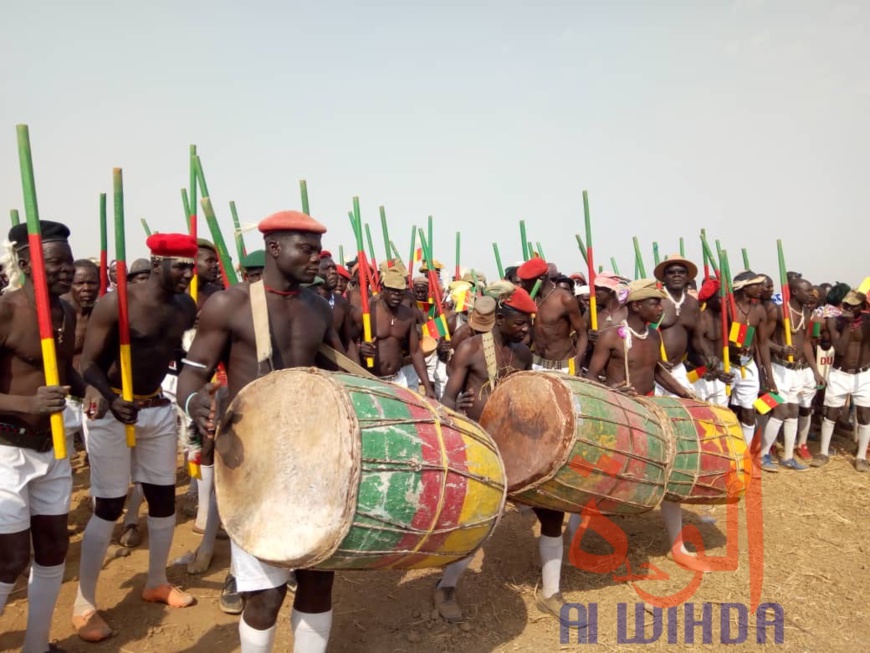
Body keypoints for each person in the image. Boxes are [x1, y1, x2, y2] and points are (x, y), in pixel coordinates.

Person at [178, 210, 346, 653]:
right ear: (273, 248)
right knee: (265, 595)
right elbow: (190, 376)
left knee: (317, 580)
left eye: (318, 251)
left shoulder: (318, 307)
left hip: (313, 459)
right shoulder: (228, 305)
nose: (316, 259)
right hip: (254, 463)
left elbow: (341, 375)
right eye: (306, 250)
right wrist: (196, 404)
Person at [73, 233, 198, 642]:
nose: (188, 274)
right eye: (181, 266)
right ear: (157, 263)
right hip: (113, 410)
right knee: (109, 504)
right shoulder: (118, 303)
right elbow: (89, 364)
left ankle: (156, 581)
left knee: (163, 499)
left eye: (191, 266)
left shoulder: (186, 306)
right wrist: (111, 399)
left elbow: (177, 355)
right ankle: (84, 604)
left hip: (156, 409)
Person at [0, 221, 98, 653]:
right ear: (26, 264)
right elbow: (30, 389)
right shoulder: (6, 310)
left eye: (68, 261)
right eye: (55, 262)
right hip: (7, 451)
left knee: (54, 548)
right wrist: (28, 404)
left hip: (54, 446)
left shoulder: (65, 312)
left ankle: (36, 645)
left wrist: (90, 390)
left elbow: (59, 371)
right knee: (10, 559)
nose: (67, 270)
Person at [585, 280, 709, 573]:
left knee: (668, 474)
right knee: (597, 477)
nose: (660, 308)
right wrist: (612, 390)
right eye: (655, 303)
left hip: (648, 413)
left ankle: (678, 547)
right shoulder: (611, 336)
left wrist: (686, 394)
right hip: (619, 414)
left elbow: (656, 371)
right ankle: (571, 539)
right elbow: (590, 379)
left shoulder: (653, 335)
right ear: (637, 305)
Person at [436, 285, 536, 622]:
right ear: (501, 318)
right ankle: (446, 586)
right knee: (475, 520)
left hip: (509, 443)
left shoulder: (523, 354)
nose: (525, 329)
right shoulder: (470, 348)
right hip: (475, 442)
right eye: (519, 323)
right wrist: (458, 408)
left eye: (528, 323)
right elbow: (446, 400)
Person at [758, 277, 825, 472]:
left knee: (793, 412)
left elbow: (806, 343)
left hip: (796, 371)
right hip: (779, 369)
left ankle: (788, 457)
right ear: (795, 292)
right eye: (807, 290)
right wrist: (771, 371)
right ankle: (763, 454)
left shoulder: (806, 312)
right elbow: (763, 342)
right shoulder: (778, 311)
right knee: (779, 411)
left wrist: (815, 371)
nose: (811, 294)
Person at [813, 290, 870, 471]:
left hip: (863, 374)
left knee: (864, 416)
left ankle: (861, 457)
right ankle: (823, 453)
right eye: (846, 305)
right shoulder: (834, 321)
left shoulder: (868, 322)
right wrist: (848, 325)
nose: (848, 309)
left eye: (853, 306)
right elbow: (840, 349)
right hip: (839, 374)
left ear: (862, 307)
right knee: (831, 413)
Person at [358, 268, 435, 396]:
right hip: (371, 379)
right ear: (383, 289)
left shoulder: (408, 315)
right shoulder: (368, 311)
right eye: (392, 290)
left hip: (398, 379)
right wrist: (360, 348)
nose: (396, 295)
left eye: (400, 291)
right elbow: (348, 342)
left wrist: (428, 386)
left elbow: (415, 352)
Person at [653, 255, 718, 396]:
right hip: (654, 369)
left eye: (681, 272)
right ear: (663, 277)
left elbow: (697, 337)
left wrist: (708, 355)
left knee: (685, 406)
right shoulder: (656, 301)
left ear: (688, 277)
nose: (676, 275)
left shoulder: (692, 303)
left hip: (677, 369)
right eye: (671, 272)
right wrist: (656, 359)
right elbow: (644, 334)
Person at [726, 271, 775, 446]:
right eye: (757, 284)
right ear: (743, 287)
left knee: (749, 411)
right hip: (726, 365)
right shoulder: (726, 307)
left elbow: (763, 344)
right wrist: (731, 348)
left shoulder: (758, 310)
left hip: (748, 365)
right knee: (724, 410)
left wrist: (768, 376)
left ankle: (745, 452)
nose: (762, 288)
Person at [516, 257, 587, 375]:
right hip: (537, 364)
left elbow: (582, 334)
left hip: (564, 366)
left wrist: (578, 362)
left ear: (541, 278)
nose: (522, 285)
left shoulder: (565, 299)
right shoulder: (530, 299)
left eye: (526, 281)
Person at [63, 259, 100, 371]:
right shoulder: (60, 313)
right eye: (80, 283)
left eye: (92, 283)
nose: (87, 289)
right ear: (70, 284)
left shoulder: (103, 313)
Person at [196, 239, 222, 305]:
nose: (215, 266)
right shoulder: (177, 293)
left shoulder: (216, 293)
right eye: (210, 261)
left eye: (216, 261)